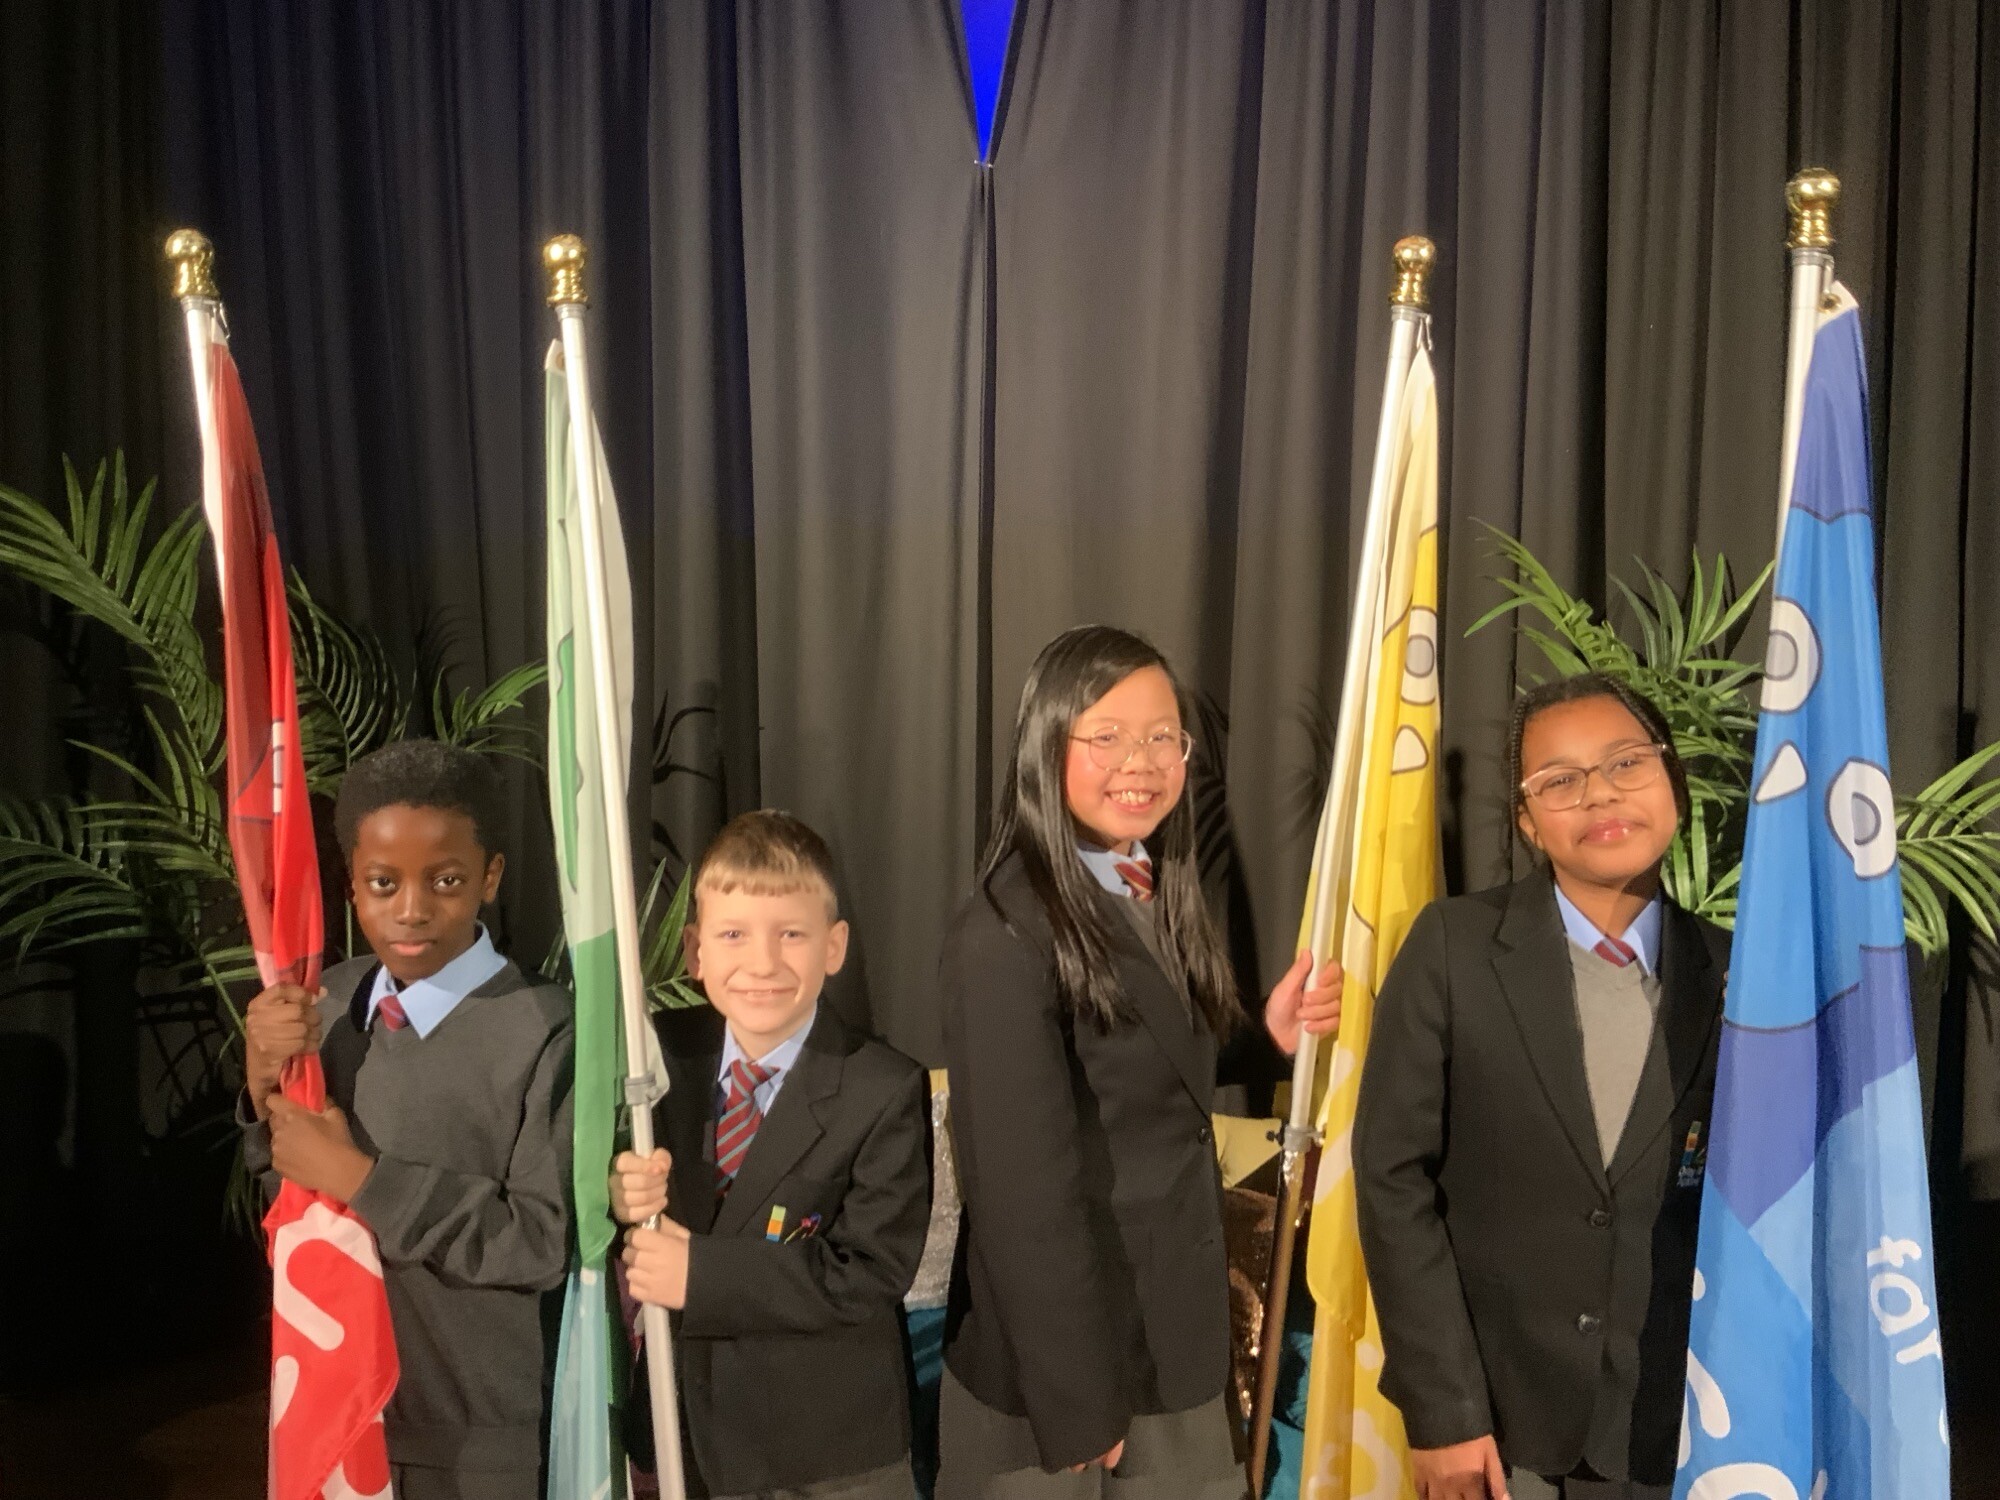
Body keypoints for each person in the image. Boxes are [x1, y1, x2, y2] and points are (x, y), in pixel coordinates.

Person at [935, 624, 1339, 1498]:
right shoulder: (1002, 933)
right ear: (1047, 746)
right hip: (1064, 1381)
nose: (1142, 762)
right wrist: (1079, 1402)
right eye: (1108, 736)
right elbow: (1020, 1196)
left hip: (1173, 1335)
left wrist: (1259, 1035)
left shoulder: (1146, 879)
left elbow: (1136, 1060)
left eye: (1163, 737)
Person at [1354, 673, 1730, 1500]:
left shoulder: (1740, 975)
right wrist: (1445, 1411)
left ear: (1672, 779)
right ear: (1527, 821)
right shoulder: (1452, 948)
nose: (1600, 794)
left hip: (1684, 1425)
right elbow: (1391, 1182)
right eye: (1560, 780)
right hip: (1502, 1427)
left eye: (1626, 763)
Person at [240, 739, 574, 1500]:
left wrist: (362, 1179)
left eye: (446, 880)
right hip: (335, 1415)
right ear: (352, 885)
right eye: (383, 884)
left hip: (472, 1435)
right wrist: (261, 1088)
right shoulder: (326, 1003)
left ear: (490, 876)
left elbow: (539, 1242)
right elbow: (290, 1205)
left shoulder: (544, 1028)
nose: (413, 909)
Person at [613, 809, 932, 1500]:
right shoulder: (655, 1062)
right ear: (695, 951)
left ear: (834, 946)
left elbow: (869, 1272)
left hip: (826, 1454)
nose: (762, 963)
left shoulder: (881, 1088)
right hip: (686, 1440)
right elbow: (617, 1219)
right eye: (733, 934)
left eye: (791, 934)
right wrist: (620, 1196)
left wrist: (699, 1273)